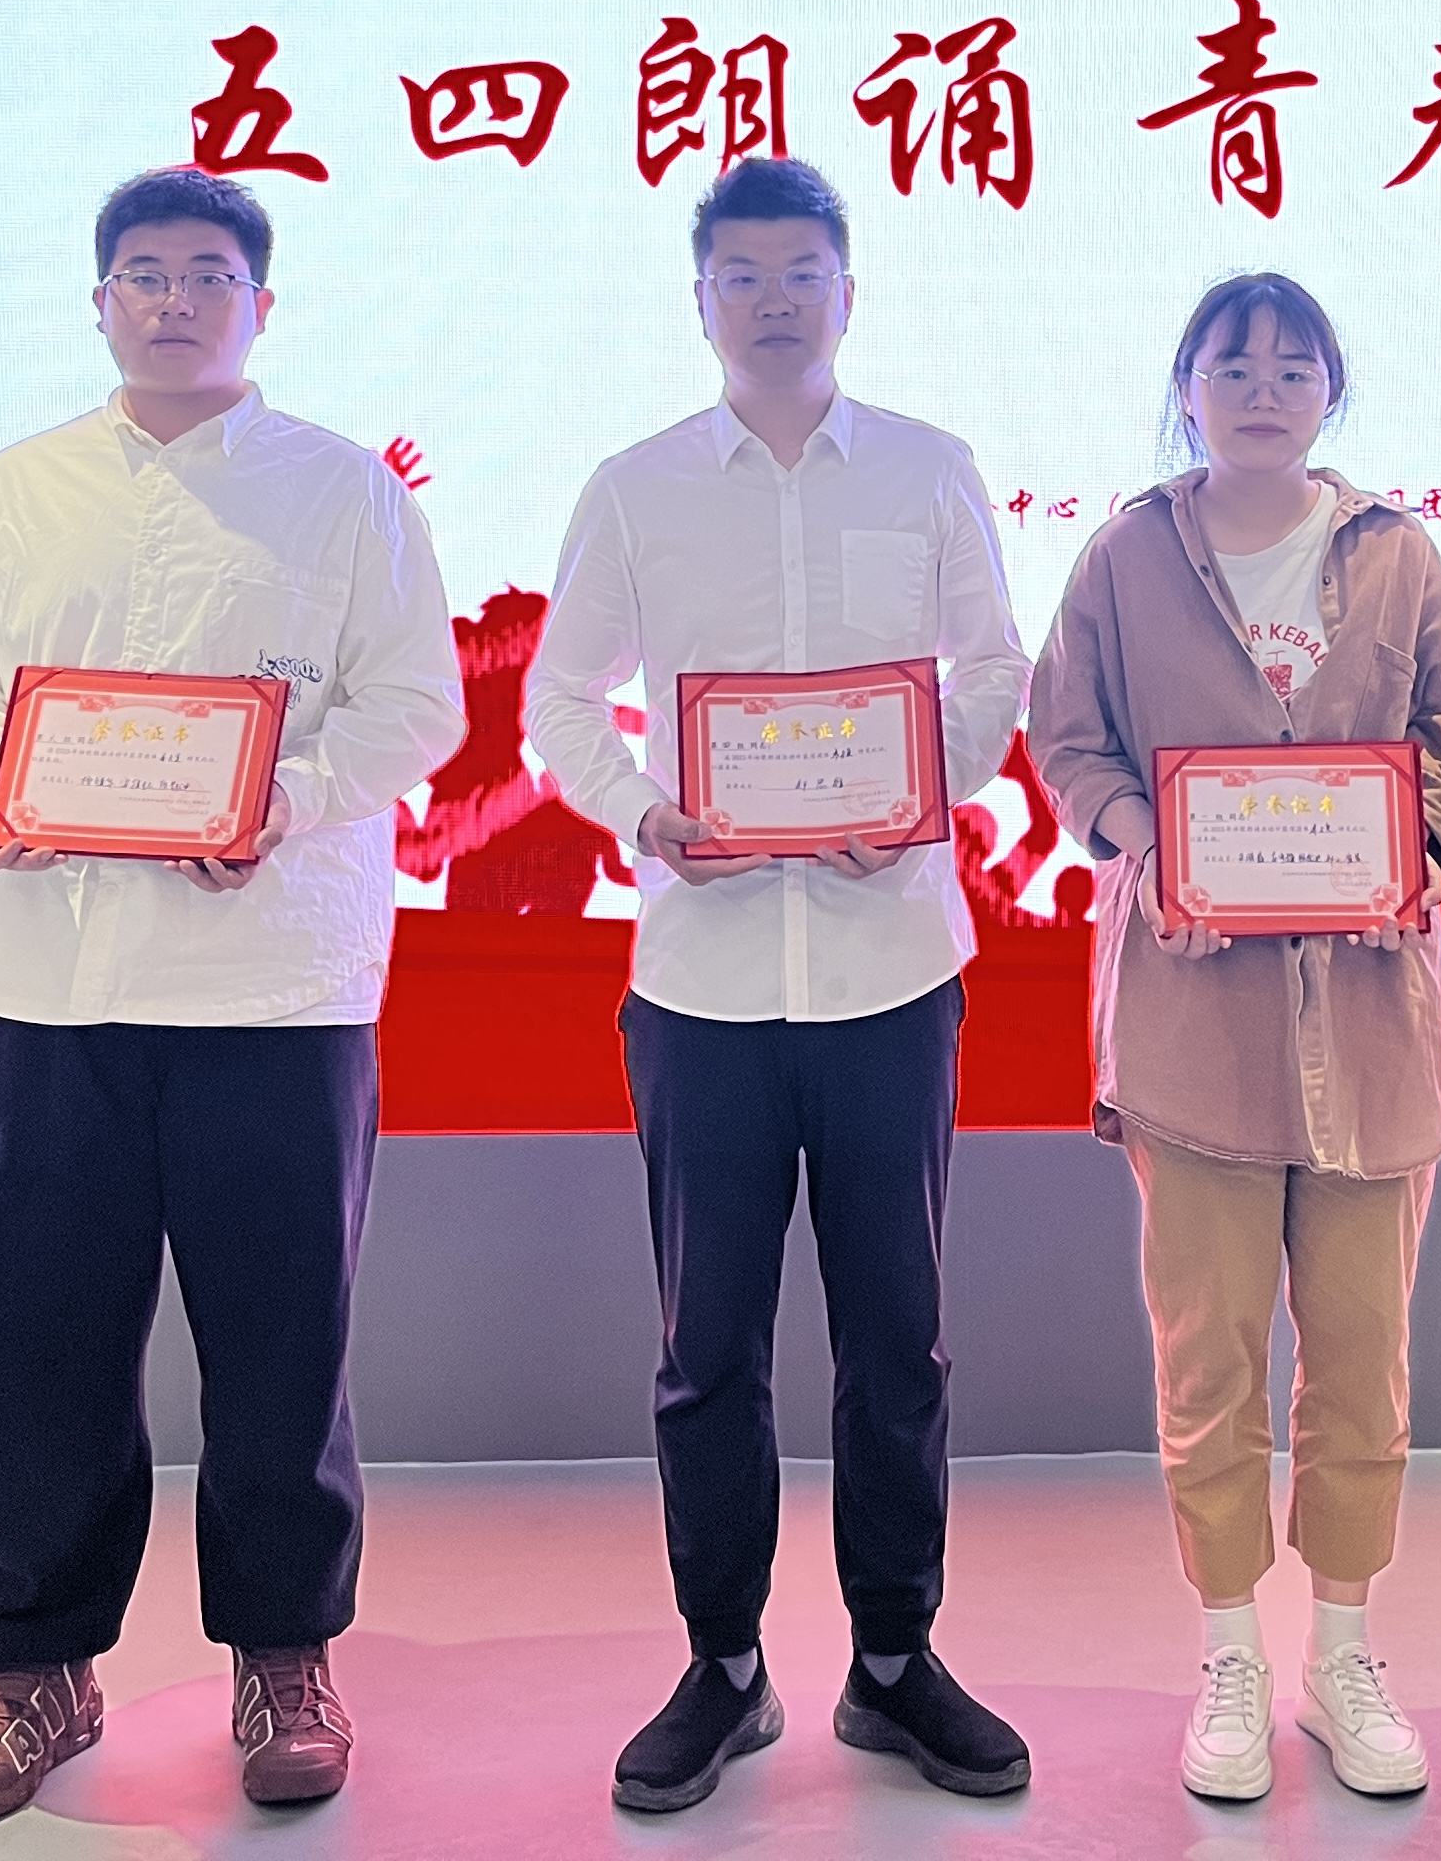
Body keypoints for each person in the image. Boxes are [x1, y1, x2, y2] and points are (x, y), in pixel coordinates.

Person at [0, 167, 463, 1822]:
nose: (172, 301)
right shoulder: (17, 492)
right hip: (50, 979)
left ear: (259, 307)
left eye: (208, 274)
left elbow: (415, 705)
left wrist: (283, 799)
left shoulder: (347, 495)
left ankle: (286, 1656)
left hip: (274, 985)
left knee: (283, 1344)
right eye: (142, 273)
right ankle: (35, 1667)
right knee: (38, 1339)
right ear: (99, 303)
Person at [527, 154, 1038, 1815]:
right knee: (708, 1350)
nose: (771, 302)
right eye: (740, 276)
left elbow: (992, 670)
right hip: (706, 984)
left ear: (847, 292)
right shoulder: (636, 489)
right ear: (701, 302)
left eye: (800, 273)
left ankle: (894, 1661)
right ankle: (725, 1666)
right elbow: (558, 704)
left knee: (900, 1339)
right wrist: (645, 815)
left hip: (893, 971)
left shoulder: (929, 470)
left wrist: (924, 791)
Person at [1026, 273, 1441, 1805]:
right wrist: (1149, 846)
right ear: (1190, 388)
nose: (1265, 388)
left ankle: (1344, 1655)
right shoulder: (1125, 556)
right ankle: (1230, 1656)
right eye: (1235, 364)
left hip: (1370, 1023)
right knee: (1208, 1360)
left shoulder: (1397, 553)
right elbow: (1068, 738)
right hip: (1190, 1025)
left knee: (1362, 1362)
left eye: (1295, 366)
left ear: (1330, 391)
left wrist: (1421, 850)